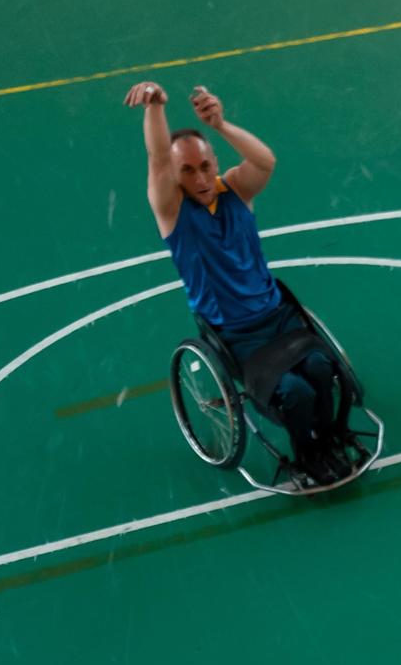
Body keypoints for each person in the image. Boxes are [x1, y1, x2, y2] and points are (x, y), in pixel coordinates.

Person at [124, 79, 352, 484]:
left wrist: (221, 126)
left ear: (215, 161)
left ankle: (329, 437)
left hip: (278, 315)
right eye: (187, 170)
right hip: (236, 335)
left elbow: (265, 162)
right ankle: (308, 454)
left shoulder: (236, 190)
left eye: (205, 165)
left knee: (321, 368)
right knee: (295, 392)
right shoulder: (173, 213)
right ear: (174, 176)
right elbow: (157, 158)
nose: (200, 178)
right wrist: (155, 108)